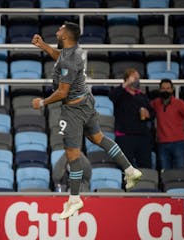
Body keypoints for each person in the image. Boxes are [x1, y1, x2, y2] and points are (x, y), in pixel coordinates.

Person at [31, 22, 142, 219]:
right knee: (98, 138)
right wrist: (44, 46)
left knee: (72, 154)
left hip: (73, 110)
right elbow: (60, 58)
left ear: (65, 36)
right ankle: (129, 169)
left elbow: (62, 91)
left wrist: (42, 102)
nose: (56, 31)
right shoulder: (73, 51)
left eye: (60, 30)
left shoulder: (69, 60)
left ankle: (74, 199)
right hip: (86, 103)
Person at [150, 79, 184, 170]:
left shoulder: (179, 103)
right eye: (163, 88)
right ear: (159, 90)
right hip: (162, 143)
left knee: (179, 172)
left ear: (172, 90)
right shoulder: (155, 103)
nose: (165, 90)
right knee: (165, 173)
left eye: (168, 88)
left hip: (178, 143)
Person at [109, 68, 155, 169]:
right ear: (127, 79)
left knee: (145, 166)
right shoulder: (120, 93)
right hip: (125, 136)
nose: (136, 81)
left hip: (142, 136)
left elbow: (152, 113)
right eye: (134, 78)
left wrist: (148, 114)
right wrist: (126, 84)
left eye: (138, 78)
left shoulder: (142, 96)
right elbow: (112, 96)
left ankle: (144, 184)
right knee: (124, 167)